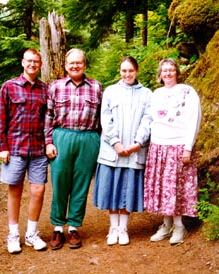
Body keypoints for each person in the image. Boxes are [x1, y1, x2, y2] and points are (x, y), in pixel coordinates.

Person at [45, 48, 102, 250]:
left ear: (85, 65)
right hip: (62, 136)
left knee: (81, 184)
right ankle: (58, 228)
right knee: (60, 182)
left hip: (88, 138)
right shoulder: (56, 86)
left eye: (79, 62)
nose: (75, 66)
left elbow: (102, 118)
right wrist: (48, 142)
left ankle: (74, 228)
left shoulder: (96, 87)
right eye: (71, 63)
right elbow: (48, 116)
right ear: (66, 66)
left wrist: (101, 143)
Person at [93, 56, 152, 246]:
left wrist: (138, 142)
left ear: (137, 71)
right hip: (113, 150)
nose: (127, 74)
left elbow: (148, 120)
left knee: (127, 188)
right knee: (111, 187)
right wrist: (116, 143)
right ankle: (113, 228)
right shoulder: (110, 91)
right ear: (120, 71)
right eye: (124, 70)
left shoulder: (146, 94)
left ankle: (123, 228)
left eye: (131, 71)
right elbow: (106, 119)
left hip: (134, 150)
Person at [0, 48, 48, 254]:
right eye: (29, 61)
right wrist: (3, 147)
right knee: (15, 191)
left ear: (40, 64)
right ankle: (13, 235)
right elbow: (1, 118)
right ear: (22, 62)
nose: (32, 64)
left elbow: (48, 119)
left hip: (38, 149)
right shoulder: (9, 87)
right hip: (15, 149)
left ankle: (32, 234)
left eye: (36, 61)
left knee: (38, 190)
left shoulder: (45, 89)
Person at [144, 58, 201, 245]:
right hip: (158, 146)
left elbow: (194, 120)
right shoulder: (156, 94)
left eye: (171, 70)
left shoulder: (187, 91)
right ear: (160, 75)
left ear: (177, 72)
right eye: (164, 70)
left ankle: (179, 227)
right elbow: (150, 120)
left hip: (178, 145)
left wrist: (188, 147)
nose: (168, 73)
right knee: (162, 187)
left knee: (174, 187)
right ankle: (166, 224)